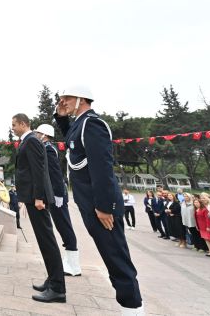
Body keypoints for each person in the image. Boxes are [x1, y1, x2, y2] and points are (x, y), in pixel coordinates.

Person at [54, 86, 143, 314]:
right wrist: (60, 117)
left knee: (116, 256)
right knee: (110, 254)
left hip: (101, 208)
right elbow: (72, 141)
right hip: (90, 205)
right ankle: (129, 307)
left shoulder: (92, 124)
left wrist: (104, 207)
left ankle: (133, 308)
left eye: (67, 97)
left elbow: (102, 167)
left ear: (81, 99)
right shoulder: (79, 125)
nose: (62, 101)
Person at [12, 113, 65, 304]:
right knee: (44, 241)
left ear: (24, 124)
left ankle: (58, 288)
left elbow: (38, 169)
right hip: (33, 197)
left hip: (37, 199)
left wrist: (39, 197)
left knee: (47, 240)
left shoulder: (32, 141)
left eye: (14, 124)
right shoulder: (29, 141)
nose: (12, 128)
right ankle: (52, 280)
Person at [34, 123, 81, 277]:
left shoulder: (48, 149)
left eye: (38, 133)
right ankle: (69, 261)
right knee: (61, 226)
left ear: (44, 135)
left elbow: (55, 173)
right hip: (54, 194)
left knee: (64, 225)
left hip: (57, 195)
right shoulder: (47, 148)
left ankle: (74, 265)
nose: (36, 135)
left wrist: (59, 195)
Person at [196, 194, 210, 258]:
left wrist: (208, 227)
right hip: (201, 226)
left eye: (204, 198)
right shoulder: (199, 208)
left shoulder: (205, 209)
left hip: (207, 226)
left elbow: (208, 218)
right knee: (206, 239)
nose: (202, 200)